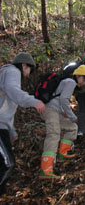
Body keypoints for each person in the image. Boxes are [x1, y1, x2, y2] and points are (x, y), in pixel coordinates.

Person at [0, 52, 45, 195]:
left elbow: (6, 107)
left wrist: (11, 131)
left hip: (3, 127)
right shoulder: (12, 71)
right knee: (7, 164)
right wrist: (34, 101)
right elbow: (13, 91)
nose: (28, 73)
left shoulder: (5, 73)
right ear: (24, 65)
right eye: (29, 69)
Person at [39, 64, 85, 179]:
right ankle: (46, 170)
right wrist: (72, 116)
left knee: (72, 127)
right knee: (54, 134)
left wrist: (65, 114)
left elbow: (60, 98)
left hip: (55, 110)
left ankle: (64, 153)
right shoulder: (71, 82)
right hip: (49, 109)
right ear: (80, 76)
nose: (84, 83)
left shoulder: (67, 82)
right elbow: (63, 99)